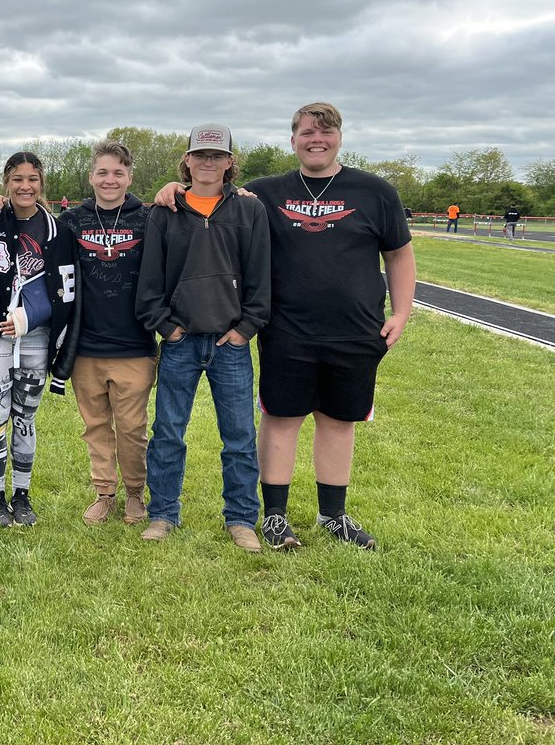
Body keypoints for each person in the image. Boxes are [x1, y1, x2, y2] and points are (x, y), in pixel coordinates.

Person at [160, 104, 414, 550]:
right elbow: (209, 194)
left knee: (338, 421)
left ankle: (333, 515)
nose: (317, 139)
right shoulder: (265, 193)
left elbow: (398, 254)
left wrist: (401, 312)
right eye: (307, 132)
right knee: (281, 419)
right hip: (287, 328)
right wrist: (172, 189)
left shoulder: (376, 192)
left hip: (355, 329)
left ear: (340, 136)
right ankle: (274, 516)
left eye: (327, 132)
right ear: (292, 139)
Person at [136, 125, 270, 553]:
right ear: (187, 160)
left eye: (217, 156)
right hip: (181, 341)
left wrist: (245, 329)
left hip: (229, 343)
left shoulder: (249, 211)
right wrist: (166, 326)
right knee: (168, 432)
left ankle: (241, 518)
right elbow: (150, 279)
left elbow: (260, 278)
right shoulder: (165, 211)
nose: (208, 162)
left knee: (239, 436)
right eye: (200, 155)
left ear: (230, 162)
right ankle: (163, 513)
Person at [0, 151, 78, 527]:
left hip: (36, 338)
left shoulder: (58, 231)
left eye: (32, 179)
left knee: (26, 419)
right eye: (17, 179)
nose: (25, 186)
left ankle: (23, 495)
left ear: (41, 183)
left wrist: (29, 317)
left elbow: (65, 290)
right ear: (6, 182)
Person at [58, 140, 156, 526]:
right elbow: (29, 225)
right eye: (102, 172)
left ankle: (135, 493)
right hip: (85, 345)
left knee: (132, 428)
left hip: (134, 343)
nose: (109, 179)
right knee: (96, 426)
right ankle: (105, 492)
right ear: (91, 176)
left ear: (129, 177)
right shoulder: (71, 220)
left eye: (118, 172)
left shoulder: (149, 219)